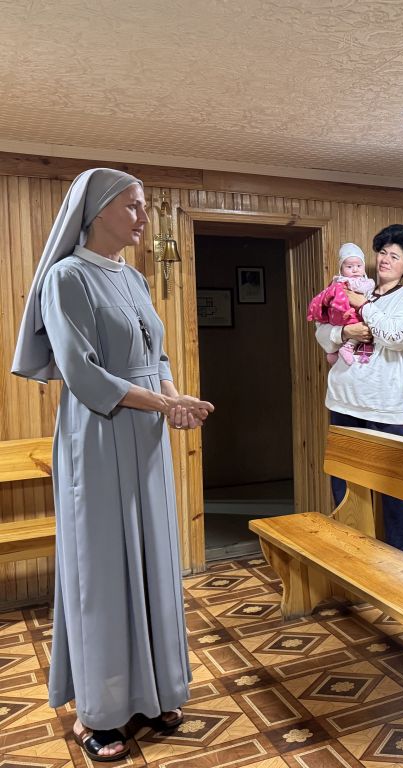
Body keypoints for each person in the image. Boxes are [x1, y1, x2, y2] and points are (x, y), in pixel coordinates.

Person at [10, 168, 214, 762]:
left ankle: (153, 693)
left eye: (143, 206)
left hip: (145, 433)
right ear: (97, 211)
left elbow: (158, 353)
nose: (144, 217)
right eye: (133, 206)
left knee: (152, 558)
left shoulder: (134, 277)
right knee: (102, 568)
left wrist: (174, 399)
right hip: (97, 435)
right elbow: (82, 372)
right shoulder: (66, 277)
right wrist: (165, 404)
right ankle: (98, 712)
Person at [315, 224, 403, 561]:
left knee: (398, 482)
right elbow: (322, 332)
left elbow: (395, 336)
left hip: (386, 407)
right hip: (343, 403)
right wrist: (344, 332)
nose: (385, 259)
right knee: (345, 484)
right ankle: (353, 551)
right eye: (382, 252)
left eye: (395, 256)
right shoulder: (352, 289)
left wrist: (363, 305)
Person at [307, 243, 375, 365]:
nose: (355, 269)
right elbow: (321, 333)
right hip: (343, 317)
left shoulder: (368, 288)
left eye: (359, 266)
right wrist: (345, 331)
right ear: (341, 270)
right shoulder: (339, 285)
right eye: (349, 266)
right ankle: (341, 351)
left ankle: (344, 352)